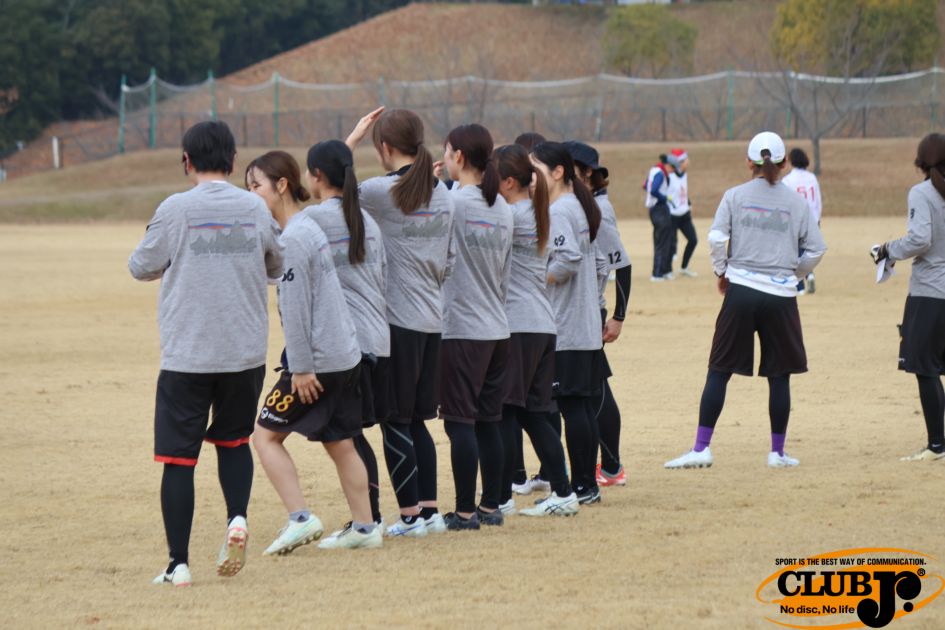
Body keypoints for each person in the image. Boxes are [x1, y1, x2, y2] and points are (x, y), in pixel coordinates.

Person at [129, 121, 284, 587]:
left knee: (179, 459)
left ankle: (178, 564)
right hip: (243, 352)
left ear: (187, 161)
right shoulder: (255, 208)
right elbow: (278, 262)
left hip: (188, 354)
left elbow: (140, 265)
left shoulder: (175, 208)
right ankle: (237, 517)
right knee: (234, 441)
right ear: (234, 162)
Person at [664, 131, 826, 470]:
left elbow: (715, 238)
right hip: (781, 296)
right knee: (779, 376)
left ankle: (701, 448)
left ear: (749, 162)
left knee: (719, 370)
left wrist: (722, 271)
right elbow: (816, 248)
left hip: (741, 291)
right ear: (784, 163)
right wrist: (793, 274)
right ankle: (777, 452)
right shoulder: (796, 202)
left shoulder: (734, 196)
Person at [253, 140, 381, 552]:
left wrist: (302, 369)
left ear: (281, 186)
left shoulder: (296, 237)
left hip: (319, 363)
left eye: (255, 186)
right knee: (340, 442)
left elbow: (295, 308)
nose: (251, 194)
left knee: (265, 436)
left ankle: (300, 519)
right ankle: (366, 528)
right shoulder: (307, 227)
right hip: (345, 356)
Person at [346, 107, 454, 536]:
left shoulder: (380, 191)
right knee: (417, 421)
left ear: (385, 147)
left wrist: (352, 139)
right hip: (432, 321)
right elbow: (448, 261)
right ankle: (429, 512)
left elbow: (333, 189)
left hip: (397, 324)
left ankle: (409, 516)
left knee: (394, 419)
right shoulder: (442, 193)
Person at [300, 140, 390, 539]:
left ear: (317, 175)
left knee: (348, 438)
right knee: (354, 436)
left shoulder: (314, 219)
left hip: (348, 345)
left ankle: (369, 520)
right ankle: (371, 517)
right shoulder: (368, 221)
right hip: (379, 340)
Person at [494, 143, 580, 517]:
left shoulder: (510, 216)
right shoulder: (538, 210)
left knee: (505, 413)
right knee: (533, 413)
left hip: (518, 326)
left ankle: (501, 496)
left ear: (508, 181)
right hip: (542, 324)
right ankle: (563, 491)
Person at [439, 124, 514, 530]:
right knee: (489, 421)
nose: (444, 159)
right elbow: (504, 274)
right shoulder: (502, 207)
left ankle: (465, 511)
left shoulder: (453, 204)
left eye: (446, 152)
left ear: (459, 157)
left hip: (462, 330)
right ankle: (490, 506)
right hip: (497, 328)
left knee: (460, 422)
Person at [531, 141, 606, 504]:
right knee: (581, 407)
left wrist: (537, 280)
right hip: (584, 325)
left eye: (536, 171)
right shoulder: (576, 205)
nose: (531, 179)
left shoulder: (560, 209)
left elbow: (568, 259)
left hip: (567, 327)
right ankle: (586, 485)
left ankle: (581, 486)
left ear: (558, 172)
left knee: (572, 408)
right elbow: (598, 264)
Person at [871, 133, 945, 461]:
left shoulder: (922, 193)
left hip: (931, 293)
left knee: (926, 369)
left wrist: (887, 250)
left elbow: (920, 240)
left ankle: (937, 445)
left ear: (921, 162)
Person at [564, 140, 632, 488]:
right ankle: (608, 467)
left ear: (587, 173)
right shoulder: (580, 206)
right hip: (581, 309)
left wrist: (618, 316)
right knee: (593, 388)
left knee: (594, 390)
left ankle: (611, 467)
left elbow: (624, 264)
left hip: (591, 310)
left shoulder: (598, 210)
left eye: (569, 168)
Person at [781, 148, 822, 294]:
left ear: (791, 161)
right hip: (812, 218)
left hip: (795, 221)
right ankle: (809, 275)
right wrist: (818, 218)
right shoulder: (812, 178)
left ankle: (800, 287)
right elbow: (817, 200)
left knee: (794, 254)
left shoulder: (787, 180)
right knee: (806, 251)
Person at [667, 148, 698, 278]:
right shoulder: (669, 176)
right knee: (671, 244)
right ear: (679, 162)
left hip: (684, 215)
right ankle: (667, 271)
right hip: (672, 215)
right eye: (686, 159)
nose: (688, 161)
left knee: (693, 240)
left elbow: (681, 191)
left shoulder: (684, 174)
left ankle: (684, 267)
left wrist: (688, 202)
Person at [645, 155, 673, 281]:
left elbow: (646, 185)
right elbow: (653, 190)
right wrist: (664, 197)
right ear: (667, 165)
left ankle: (662, 271)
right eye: (672, 168)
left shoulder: (654, 170)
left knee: (661, 240)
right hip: (659, 209)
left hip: (654, 209)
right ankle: (657, 273)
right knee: (662, 241)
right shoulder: (661, 174)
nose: (672, 171)